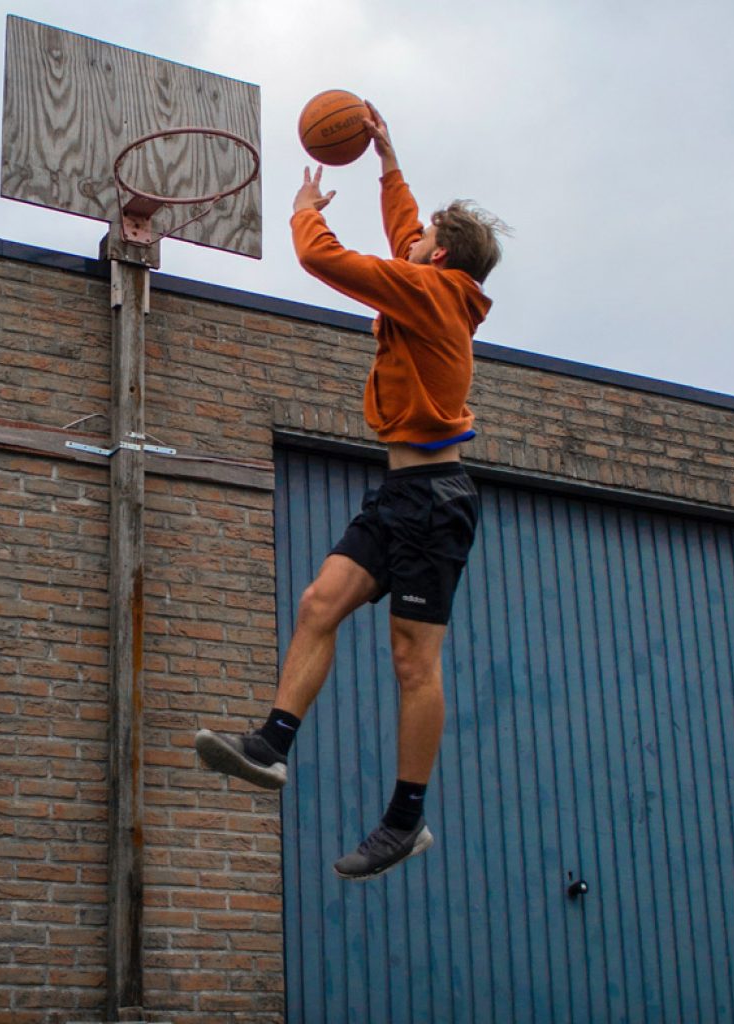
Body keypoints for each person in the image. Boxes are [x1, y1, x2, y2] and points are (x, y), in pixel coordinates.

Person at [195, 103, 507, 880]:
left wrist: (304, 214)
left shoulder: (430, 295)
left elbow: (327, 262)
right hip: (400, 494)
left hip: (436, 500)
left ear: (441, 259)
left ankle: (405, 819)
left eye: (426, 238)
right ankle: (270, 747)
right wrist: (388, 160)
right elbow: (405, 226)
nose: (414, 237)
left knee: (413, 661)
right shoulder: (433, 278)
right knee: (319, 604)